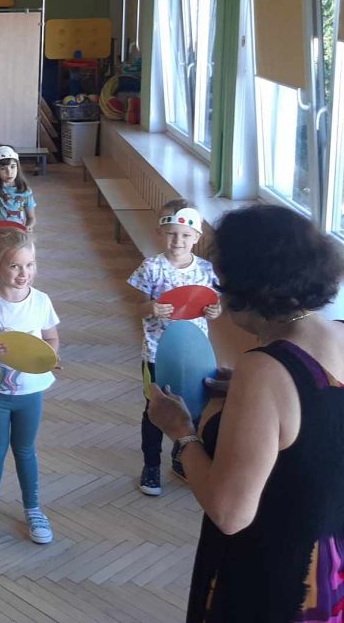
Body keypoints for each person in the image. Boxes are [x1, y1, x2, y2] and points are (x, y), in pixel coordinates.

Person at [147, 205, 344, 622]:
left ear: (246, 287)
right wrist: (253, 402)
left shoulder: (264, 369)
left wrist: (181, 431)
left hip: (285, 571)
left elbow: (229, 513)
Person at [0, 227, 60, 545]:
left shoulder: (41, 301)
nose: (23, 273)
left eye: (29, 265)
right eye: (15, 266)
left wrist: (51, 356)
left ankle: (33, 509)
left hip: (30, 393)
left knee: (25, 450)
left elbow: (51, 337)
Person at [127, 200, 221, 495]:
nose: (177, 241)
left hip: (195, 354)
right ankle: (151, 465)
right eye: (171, 233)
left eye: (185, 235)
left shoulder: (206, 270)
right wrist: (152, 308)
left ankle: (183, 458)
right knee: (155, 409)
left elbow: (214, 306)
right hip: (158, 353)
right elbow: (138, 308)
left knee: (193, 409)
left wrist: (215, 311)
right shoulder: (151, 267)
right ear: (160, 232)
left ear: (197, 237)